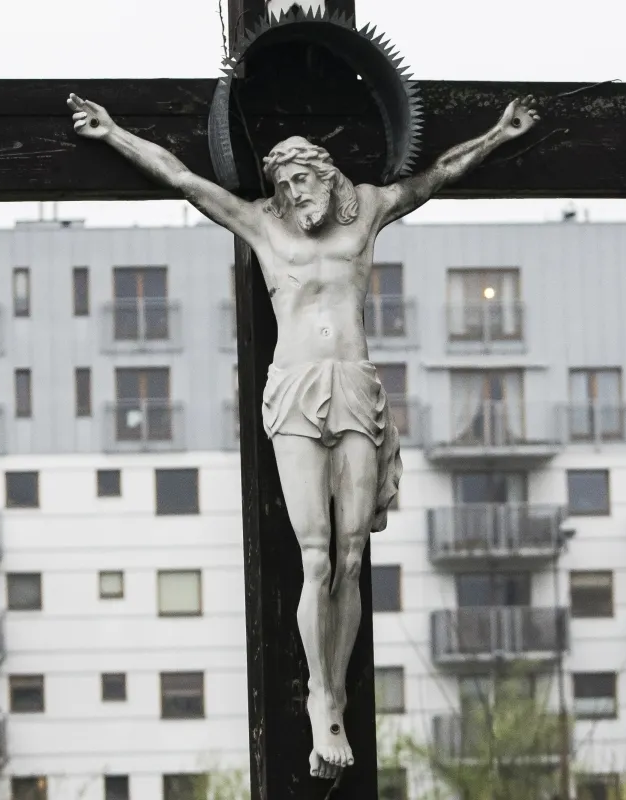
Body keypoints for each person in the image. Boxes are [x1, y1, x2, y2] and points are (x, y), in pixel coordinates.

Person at [68, 91, 539, 777]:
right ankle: (323, 703)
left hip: (353, 386)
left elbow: (439, 175)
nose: (293, 192)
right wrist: (112, 133)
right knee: (314, 554)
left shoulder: (369, 211)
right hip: (294, 390)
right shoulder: (264, 227)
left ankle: (335, 691)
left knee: (351, 556)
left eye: (301, 179)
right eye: (283, 184)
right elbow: (179, 177)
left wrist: (499, 133)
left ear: (326, 174)